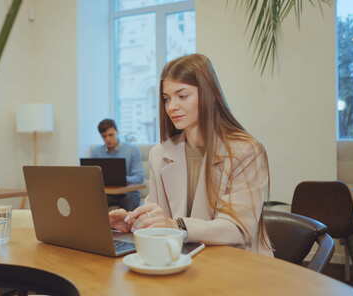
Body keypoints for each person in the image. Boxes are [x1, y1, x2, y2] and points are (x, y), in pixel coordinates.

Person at [109, 54, 272, 255]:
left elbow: (238, 228)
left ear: (207, 95)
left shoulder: (246, 151)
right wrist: (134, 222)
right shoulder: (159, 155)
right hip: (183, 261)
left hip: (237, 264)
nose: (171, 107)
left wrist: (176, 225)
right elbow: (157, 215)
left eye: (182, 96)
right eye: (167, 99)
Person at [91, 119, 144, 211]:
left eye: (111, 135)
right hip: (107, 193)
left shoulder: (132, 150)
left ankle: (129, 224)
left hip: (127, 193)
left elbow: (139, 177)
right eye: (104, 136)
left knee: (131, 197)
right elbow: (92, 177)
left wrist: (121, 179)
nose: (107, 139)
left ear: (117, 132)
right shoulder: (96, 152)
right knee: (91, 198)